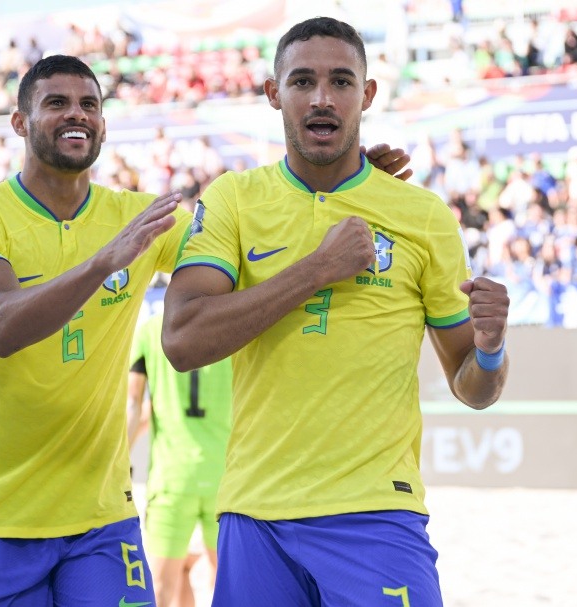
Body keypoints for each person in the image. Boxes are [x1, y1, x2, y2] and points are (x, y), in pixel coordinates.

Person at [0, 53, 413, 606]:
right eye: (56, 103)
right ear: (20, 122)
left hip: (101, 518)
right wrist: (101, 263)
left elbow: (249, 249)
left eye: (90, 104)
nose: (77, 115)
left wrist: (344, 182)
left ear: (104, 124)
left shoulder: (140, 217)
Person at [161, 17, 510, 607]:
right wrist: (316, 269)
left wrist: (491, 346)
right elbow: (182, 339)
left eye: (341, 81)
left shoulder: (422, 215)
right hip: (255, 515)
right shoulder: (233, 199)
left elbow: (474, 389)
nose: (322, 98)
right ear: (274, 95)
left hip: (377, 517)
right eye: (302, 81)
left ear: (367, 95)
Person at [127, 312, 232, 606]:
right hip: (225, 476)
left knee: (160, 589)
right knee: (230, 587)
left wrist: (120, 460)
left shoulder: (150, 330)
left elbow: (134, 402)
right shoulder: (232, 325)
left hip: (172, 477)